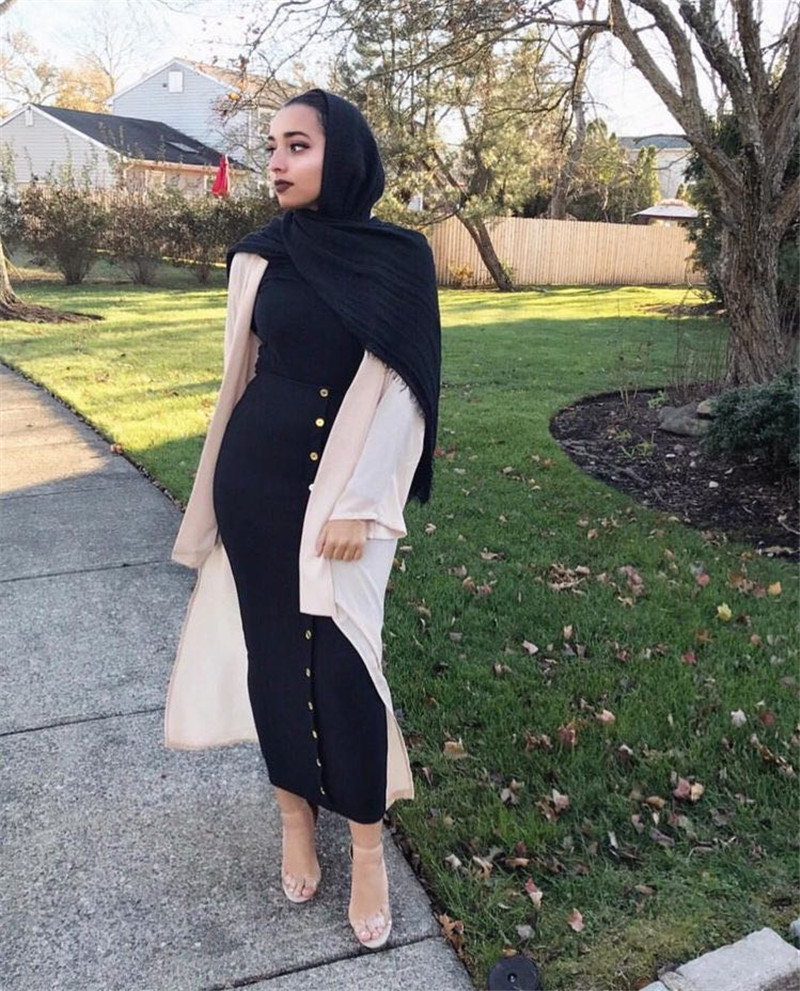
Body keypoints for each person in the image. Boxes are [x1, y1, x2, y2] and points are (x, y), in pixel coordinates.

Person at [209, 89, 441, 949]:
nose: (276, 161)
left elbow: (409, 392)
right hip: (256, 485)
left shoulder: (398, 259)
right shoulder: (259, 255)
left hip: (347, 495)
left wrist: (363, 502)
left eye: (297, 145)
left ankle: (367, 844)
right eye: (272, 145)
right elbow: (239, 374)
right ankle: (293, 816)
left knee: (346, 662)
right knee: (272, 656)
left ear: (341, 154)